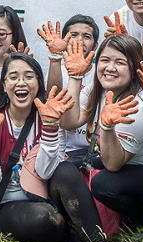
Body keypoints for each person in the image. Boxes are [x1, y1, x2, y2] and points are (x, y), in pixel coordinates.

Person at [0, 53, 113, 242]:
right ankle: (67, 239)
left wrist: (51, 128)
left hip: (43, 193)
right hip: (6, 203)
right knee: (46, 220)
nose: (21, 83)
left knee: (68, 171)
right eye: (13, 77)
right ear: (3, 85)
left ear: (38, 83)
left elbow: (45, 172)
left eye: (28, 76)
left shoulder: (48, 115)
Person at [61, 34, 143, 227]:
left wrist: (106, 127)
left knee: (104, 185)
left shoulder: (138, 102)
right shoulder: (97, 89)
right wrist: (75, 77)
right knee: (69, 166)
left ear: (133, 70)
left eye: (120, 62)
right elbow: (68, 121)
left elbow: (114, 163)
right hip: (128, 161)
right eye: (104, 60)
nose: (110, 68)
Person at [39, 15, 100, 165]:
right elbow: (54, 95)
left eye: (86, 36)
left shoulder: (102, 73)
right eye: (73, 35)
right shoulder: (57, 70)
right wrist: (55, 57)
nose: (79, 41)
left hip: (96, 149)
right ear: (65, 41)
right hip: (66, 149)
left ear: (96, 45)